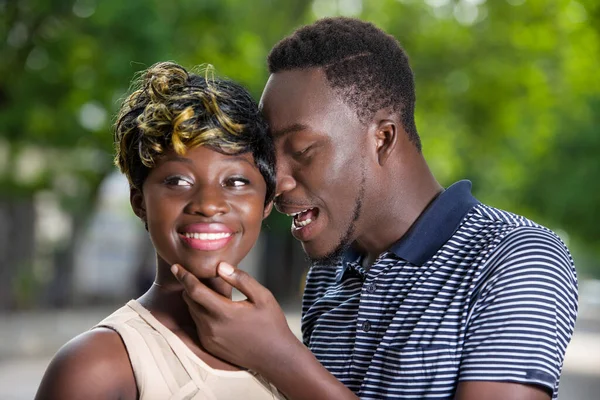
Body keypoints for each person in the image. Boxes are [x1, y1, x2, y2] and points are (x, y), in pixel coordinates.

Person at [170, 17, 579, 400]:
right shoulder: (328, 275)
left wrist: (280, 359)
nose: (275, 181)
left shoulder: (517, 257)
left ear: (382, 138)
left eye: (301, 151)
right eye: (268, 157)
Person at [35, 62, 285, 400]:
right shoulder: (96, 367)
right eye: (178, 181)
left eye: (236, 181)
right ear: (139, 202)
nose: (209, 204)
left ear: (266, 202)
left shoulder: (284, 354)